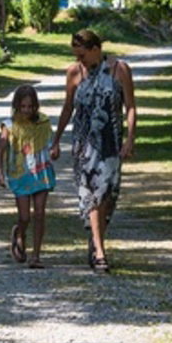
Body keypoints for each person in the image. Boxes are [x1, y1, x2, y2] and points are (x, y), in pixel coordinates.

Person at [51, 29, 136, 274]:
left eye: (83, 55)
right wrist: (56, 140)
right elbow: (68, 108)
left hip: (111, 143)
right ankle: (100, 252)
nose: (80, 61)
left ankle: (95, 237)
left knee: (108, 196)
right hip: (84, 145)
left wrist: (130, 139)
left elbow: (129, 106)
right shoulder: (75, 73)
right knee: (94, 196)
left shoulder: (119, 70)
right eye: (76, 56)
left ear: (96, 49)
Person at [0, 84, 56, 268]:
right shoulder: (10, 126)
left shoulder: (43, 122)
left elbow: (51, 141)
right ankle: (19, 233)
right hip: (20, 174)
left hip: (41, 172)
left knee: (39, 213)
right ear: (17, 106)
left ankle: (36, 255)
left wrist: (55, 149)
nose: (27, 110)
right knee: (25, 216)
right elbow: (1, 150)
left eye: (30, 107)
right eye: (23, 107)